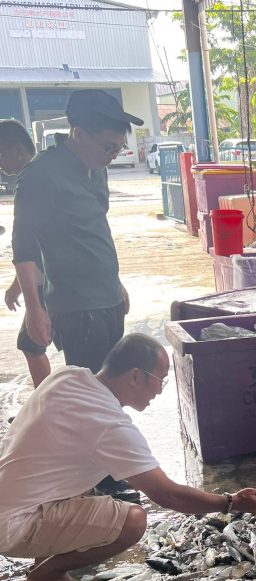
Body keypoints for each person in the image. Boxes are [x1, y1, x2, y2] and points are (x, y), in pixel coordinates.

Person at [0, 333, 256, 581]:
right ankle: (45, 577)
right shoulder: (109, 424)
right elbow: (168, 494)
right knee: (132, 521)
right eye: (160, 379)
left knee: (85, 485)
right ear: (134, 376)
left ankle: (43, 563)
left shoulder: (69, 376)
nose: (160, 389)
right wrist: (230, 503)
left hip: (10, 496)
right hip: (13, 525)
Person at [12, 89, 140, 375]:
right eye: (108, 147)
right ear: (79, 134)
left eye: (119, 148)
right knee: (90, 392)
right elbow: (24, 247)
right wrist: (34, 309)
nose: (112, 156)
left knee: (112, 386)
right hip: (78, 309)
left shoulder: (96, 168)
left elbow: (96, 231)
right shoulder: (41, 174)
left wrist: (115, 283)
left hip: (109, 299)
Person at [0, 119, 51, 388]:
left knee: (31, 343)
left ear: (19, 150)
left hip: (50, 278)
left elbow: (28, 247)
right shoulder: (42, 174)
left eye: (1, 154)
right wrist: (16, 285)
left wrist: (30, 301)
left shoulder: (30, 181)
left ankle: (50, 403)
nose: (0, 162)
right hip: (51, 276)